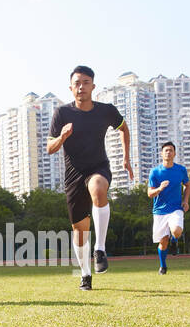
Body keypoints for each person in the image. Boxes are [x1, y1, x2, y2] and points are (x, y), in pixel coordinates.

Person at [47, 65, 131, 290]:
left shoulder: (106, 111)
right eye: (77, 83)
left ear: (93, 86)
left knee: (98, 189)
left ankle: (100, 249)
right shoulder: (62, 114)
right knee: (79, 231)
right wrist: (62, 136)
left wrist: (126, 158)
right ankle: (85, 274)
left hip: (98, 167)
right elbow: (49, 148)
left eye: (85, 82)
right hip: (73, 176)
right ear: (70, 88)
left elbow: (124, 129)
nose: (81, 87)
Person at [147, 141, 189, 275]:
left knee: (176, 230)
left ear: (175, 153)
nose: (168, 152)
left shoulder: (181, 170)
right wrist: (160, 188)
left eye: (171, 150)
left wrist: (186, 201)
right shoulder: (155, 172)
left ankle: (175, 240)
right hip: (159, 211)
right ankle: (163, 266)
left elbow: (187, 185)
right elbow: (149, 193)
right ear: (161, 153)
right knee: (163, 242)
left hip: (176, 208)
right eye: (166, 150)